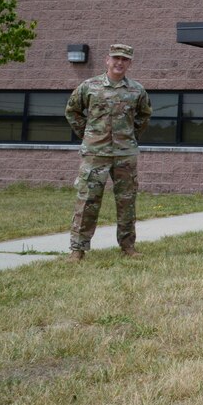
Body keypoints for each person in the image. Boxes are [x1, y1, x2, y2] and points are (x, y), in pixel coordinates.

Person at [65, 43, 153, 262]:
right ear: (107, 60)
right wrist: (88, 134)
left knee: (126, 201)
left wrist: (129, 137)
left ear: (130, 63)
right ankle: (78, 249)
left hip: (125, 154)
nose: (119, 62)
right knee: (87, 200)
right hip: (96, 153)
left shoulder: (137, 90)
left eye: (124, 59)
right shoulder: (89, 86)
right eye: (116, 58)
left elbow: (144, 116)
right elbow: (72, 111)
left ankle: (128, 247)